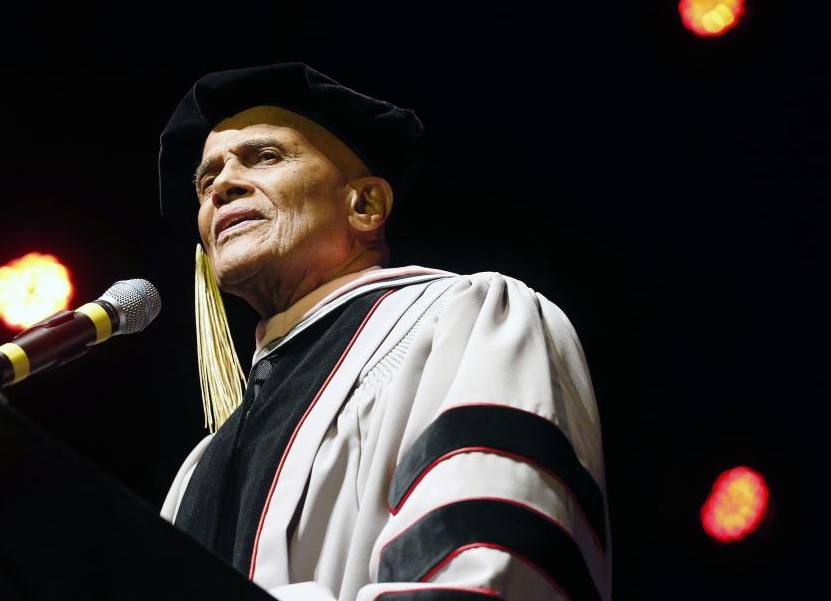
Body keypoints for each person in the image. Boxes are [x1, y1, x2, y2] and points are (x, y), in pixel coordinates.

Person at [157, 63, 611, 600]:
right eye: (206, 180)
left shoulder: (462, 320)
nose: (222, 187)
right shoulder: (197, 471)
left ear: (365, 204)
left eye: (266, 157)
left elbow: (490, 571)